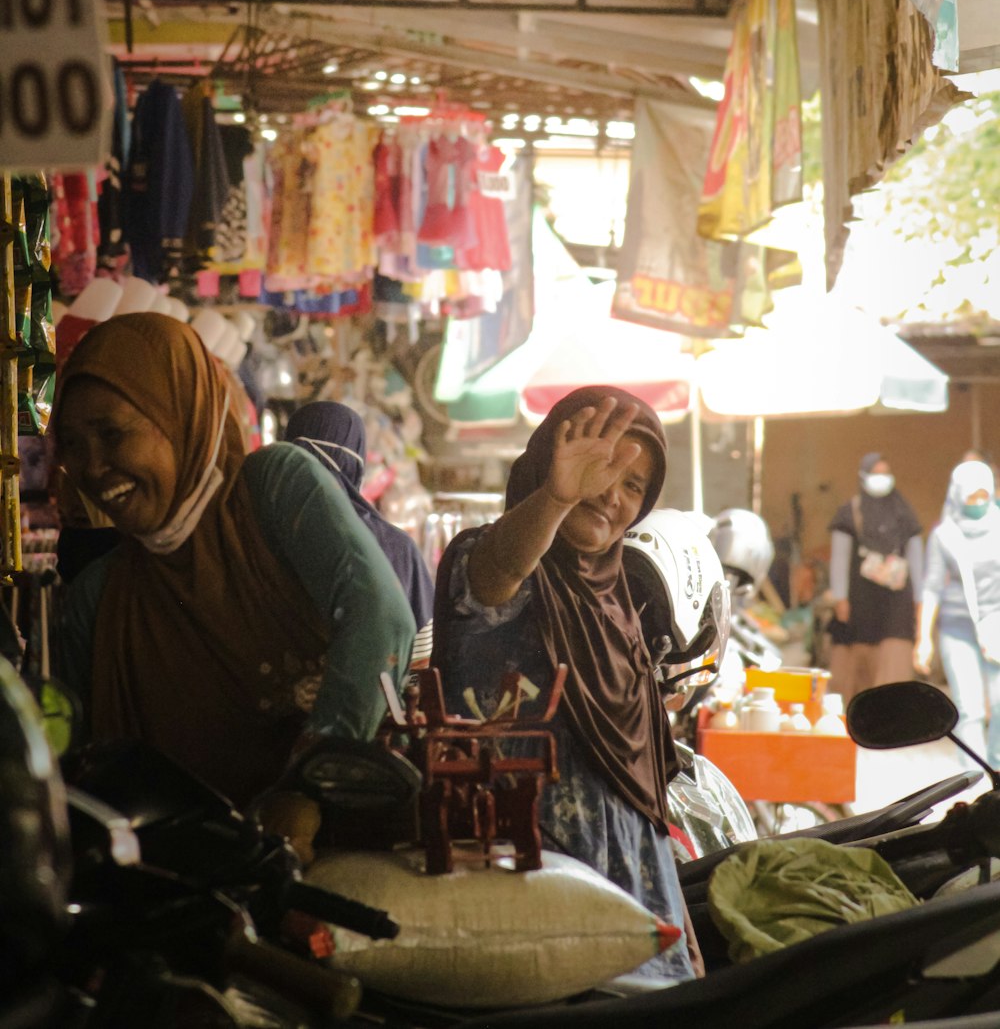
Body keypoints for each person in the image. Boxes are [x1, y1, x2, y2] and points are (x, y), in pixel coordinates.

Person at [54, 313, 415, 856]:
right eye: (73, 446)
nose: (93, 467)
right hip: (193, 895)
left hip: (341, 862)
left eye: (112, 434)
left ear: (179, 415)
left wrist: (305, 793)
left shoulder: (272, 488)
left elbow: (381, 617)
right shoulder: (96, 600)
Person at [431, 386, 700, 983]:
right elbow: (498, 575)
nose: (610, 493)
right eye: (600, 467)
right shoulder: (491, 555)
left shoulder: (621, 600)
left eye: (634, 486)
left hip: (629, 878)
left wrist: (677, 920)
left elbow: (643, 792)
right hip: (530, 872)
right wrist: (554, 499)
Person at [285, 400, 434, 664]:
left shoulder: (257, 530)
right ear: (355, 460)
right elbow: (421, 657)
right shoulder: (396, 547)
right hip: (372, 703)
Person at [916, 458, 1000, 768]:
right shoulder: (945, 535)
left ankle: (997, 767)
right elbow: (932, 586)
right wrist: (923, 638)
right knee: (970, 708)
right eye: (971, 496)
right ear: (957, 495)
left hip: (996, 625)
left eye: (983, 495)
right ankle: (976, 776)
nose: (978, 502)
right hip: (956, 628)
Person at [827, 451, 923, 706]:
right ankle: (862, 713)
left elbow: (916, 558)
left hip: (896, 603)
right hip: (860, 602)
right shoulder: (850, 512)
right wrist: (840, 598)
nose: (881, 479)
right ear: (863, 476)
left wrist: (919, 599)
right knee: (859, 663)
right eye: (875, 473)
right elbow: (839, 558)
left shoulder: (904, 513)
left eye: (885, 473)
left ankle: (892, 715)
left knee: (894, 658)